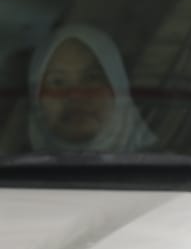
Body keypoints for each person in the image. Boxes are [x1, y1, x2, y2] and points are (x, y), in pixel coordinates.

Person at [27, 24, 157, 153]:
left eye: (92, 78)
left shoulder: (166, 170)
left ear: (118, 85)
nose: (75, 95)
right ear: (36, 99)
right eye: (57, 82)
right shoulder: (16, 172)